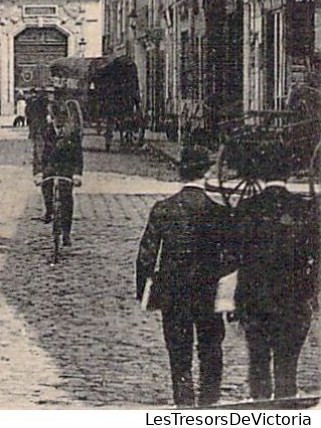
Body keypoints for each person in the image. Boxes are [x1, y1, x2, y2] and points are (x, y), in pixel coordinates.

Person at [135, 146, 236, 408]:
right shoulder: (219, 213)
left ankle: (184, 405)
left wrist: (144, 294)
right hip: (208, 292)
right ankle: (209, 405)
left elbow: (146, 257)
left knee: (179, 354)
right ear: (207, 173)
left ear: (180, 172)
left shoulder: (163, 209)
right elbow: (233, 258)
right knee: (211, 350)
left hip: (173, 293)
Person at [232, 177, 320, 400]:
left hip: (255, 300)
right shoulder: (304, 209)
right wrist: (311, 290)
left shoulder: (247, 207)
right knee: (287, 366)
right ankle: (285, 408)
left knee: (258, 362)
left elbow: (233, 257)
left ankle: (261, 409)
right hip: (293, 300)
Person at [38, 109, 84, 248]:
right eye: (56, 119)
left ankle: (66, 233)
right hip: (49, 166)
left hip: (66, 168)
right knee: (46, 186)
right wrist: (38, 172)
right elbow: (38, 152)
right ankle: (49, 209)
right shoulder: (44, 132)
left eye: (62, 120)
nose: (59, 123)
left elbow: (78, 156)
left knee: (67, 199)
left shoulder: (72, 134)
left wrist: (77, 174)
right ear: (51, 119)